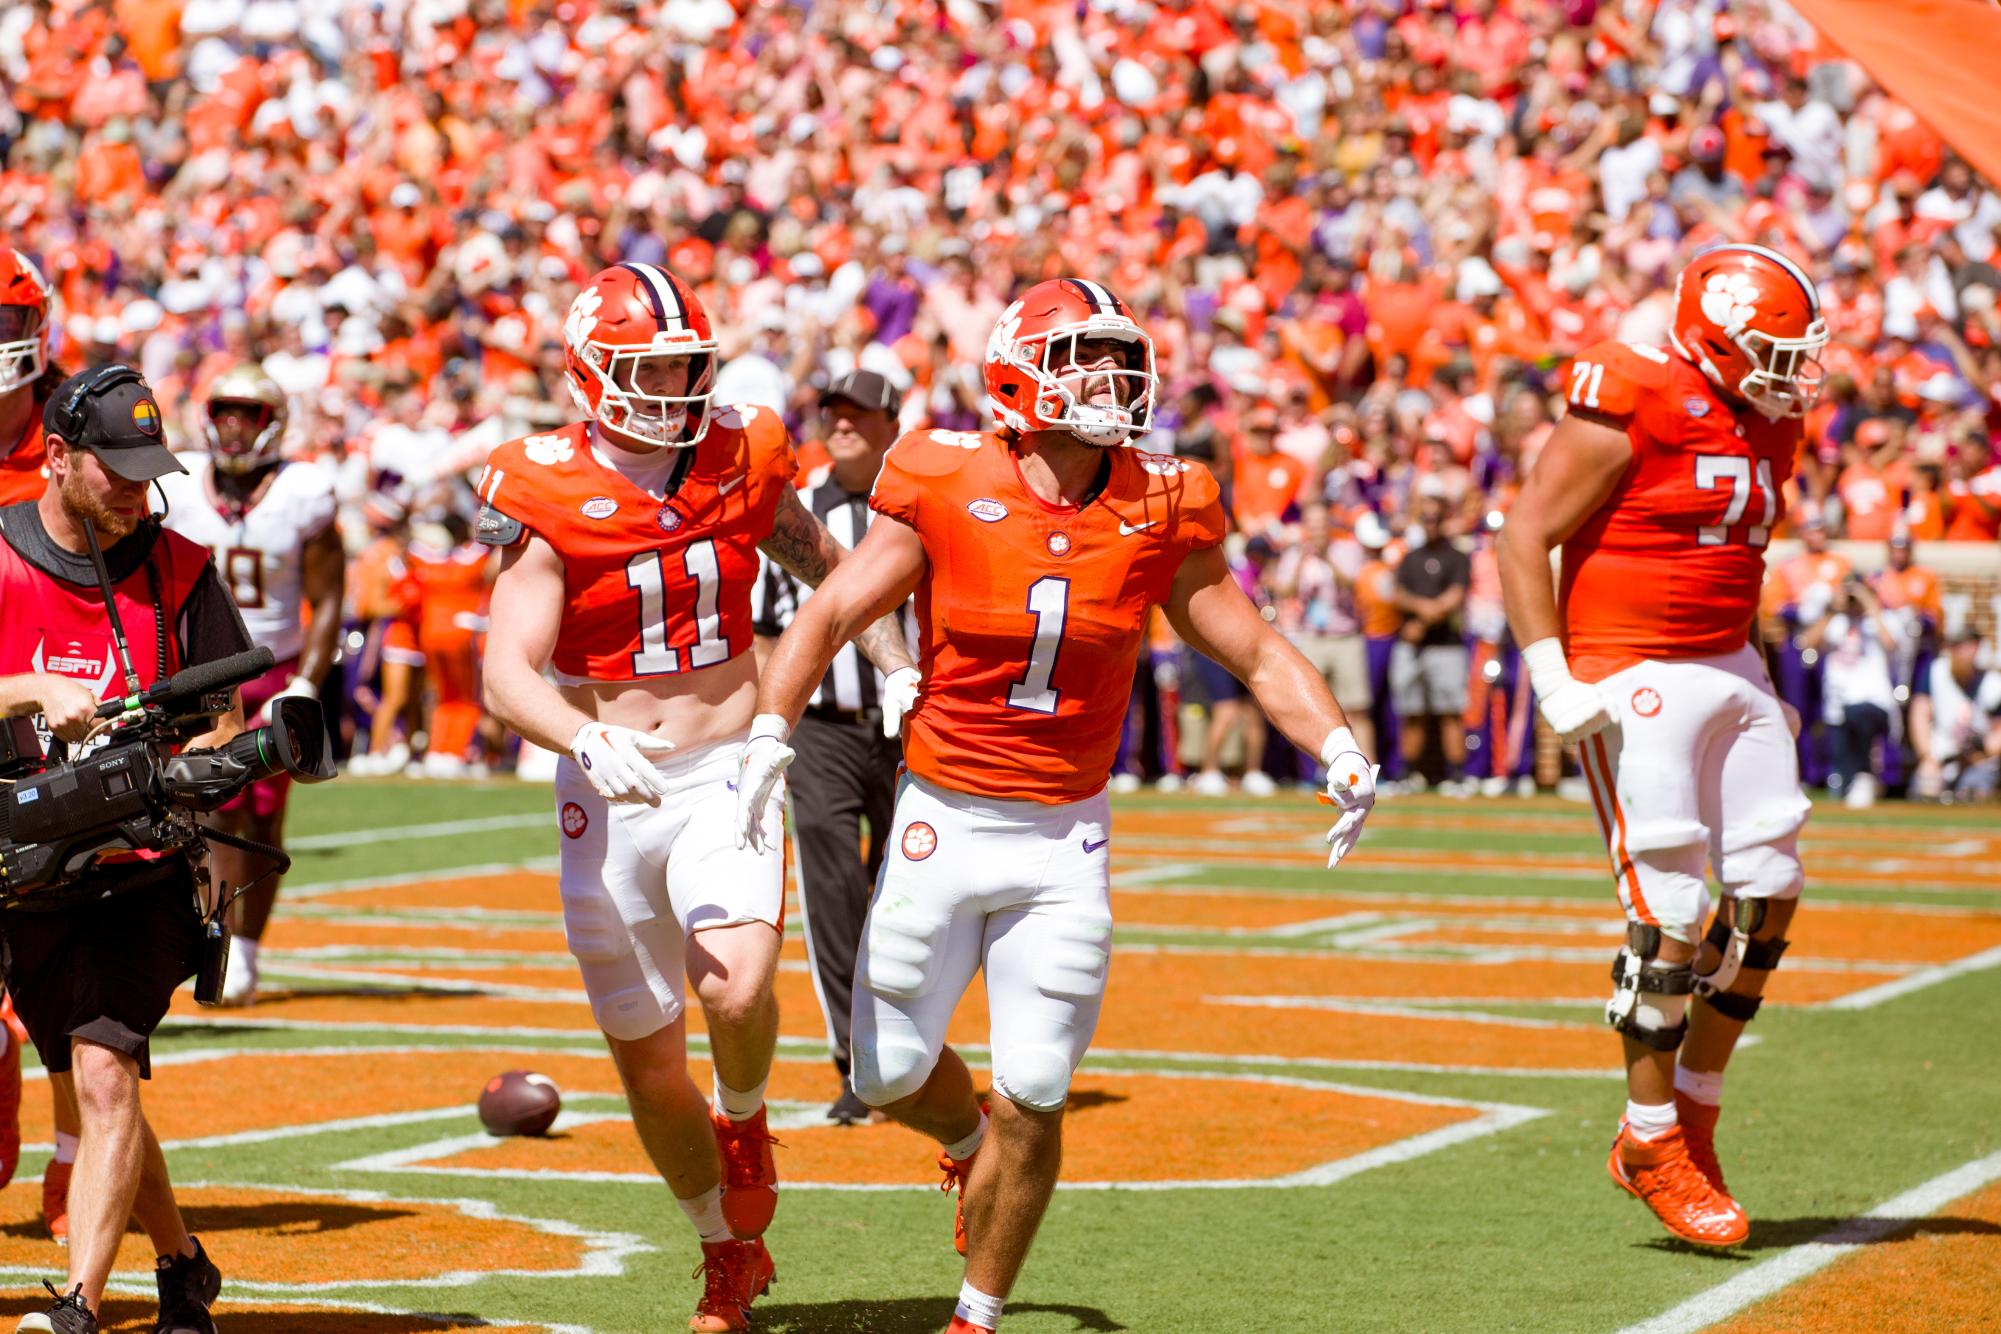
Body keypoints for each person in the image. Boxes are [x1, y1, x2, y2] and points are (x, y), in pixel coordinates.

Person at [733, 278, 1378, 1334]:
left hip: (1064, 836)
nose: (1111, 379)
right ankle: (965, 1143)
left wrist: (1340, 741)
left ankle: (977, 1313)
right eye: (1083, 356)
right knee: (888, 1071)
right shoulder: (943, 473)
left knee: (1038, 1084)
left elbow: (1253, 646)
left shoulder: (1167, 497)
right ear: (1015, 372)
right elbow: (836, 605)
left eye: (1118, 357)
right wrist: (771, 729)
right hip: (941, 813)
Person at [475, 262, 916, 1334]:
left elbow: (827, 564)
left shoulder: (741, 448)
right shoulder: (541, 484)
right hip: (608, 786)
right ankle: (725, 1249)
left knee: (733, 990)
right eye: (648, 365)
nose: (673, 382)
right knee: (646, 1057)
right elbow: (505, 668)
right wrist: (581, 732)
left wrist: (894, 654)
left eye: (683, 362)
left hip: (724, 762)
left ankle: (750, 1111)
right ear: (591, 373)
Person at [1498, 244, 1827, 1249]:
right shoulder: (1632, 388)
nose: (1789, 371)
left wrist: (1757, 680)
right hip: (1630, 667)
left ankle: (1693, 1110)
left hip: (1729, 659)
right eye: (1770, 350)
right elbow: (1524, 532)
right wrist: (1549, 669)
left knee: (1768, 891)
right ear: (1714, 332)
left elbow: (1725, 555)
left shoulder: (1774, 419)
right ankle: (1649, 1141)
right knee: (1672, 909)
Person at [0, 365, 249, 1334]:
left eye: (151, 475)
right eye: (119, 472)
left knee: (105, 1074)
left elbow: (222, 719)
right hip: (19, 866)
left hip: (135, 870)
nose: (138, 495)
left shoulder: (180, 567)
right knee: (89, 1081)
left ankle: (77, 1306)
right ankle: (184, 1263)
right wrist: (29, 689)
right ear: (58, 458)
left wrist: (191, 772)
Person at [749, 369, 915, 1125]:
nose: (842, 425)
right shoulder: (799, 508)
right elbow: (763, 633)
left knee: (908, 893)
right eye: (833, 414)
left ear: (891, 422)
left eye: (859, 414)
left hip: (911, 722)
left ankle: (909, 1053)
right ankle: (858, 1060)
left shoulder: (923, 502)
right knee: (829, 887)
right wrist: (763, 729)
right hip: (821, 726)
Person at [155, 363, 344, 1006]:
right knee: (210, 810)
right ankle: (216, 947)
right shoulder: (177, 487)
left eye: (248, 413)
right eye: (224, 411)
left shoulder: (304, 490)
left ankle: (247, 953)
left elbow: (329, 597)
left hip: (276, 672)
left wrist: (309, 683)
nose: (233, 427)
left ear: (273, 423)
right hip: (200, 677)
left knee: (262, 822)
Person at [1391, 482, 1472, 794]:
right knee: (1411, 712)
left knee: (1450, 711)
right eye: (1425, 518)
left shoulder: (1456, 557)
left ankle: (1457, 774)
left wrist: (1423, 618)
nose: (1431, 524)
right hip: (1411, 646)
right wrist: (1423, 608)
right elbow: (1397, 594)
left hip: (1445, 645)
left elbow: (1455, 596)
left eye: (1436, 518)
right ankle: (1408, 773)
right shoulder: (1410, 557)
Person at [1799, 574, 1900, 807]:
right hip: (1837, 705)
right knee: (1844, 780)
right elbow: (1806, 643)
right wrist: (1834, 608)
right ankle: (1857, 782)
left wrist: (1869, 602)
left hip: (1872, 702)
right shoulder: (1836, 622)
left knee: (1861, 731)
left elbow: (1891, 643)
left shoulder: (1882, 620)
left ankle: (1867, 776)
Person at [1909, 628, 2001, 801]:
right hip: (1940, 757)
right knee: (1924, 789)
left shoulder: (1993, 684)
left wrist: (1984, 749)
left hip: (1977, 760)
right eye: (1959, 647)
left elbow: (1998, 732)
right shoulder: (1936, 672)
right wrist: (1927, 756)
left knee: (1975, 792)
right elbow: (1919, 714)